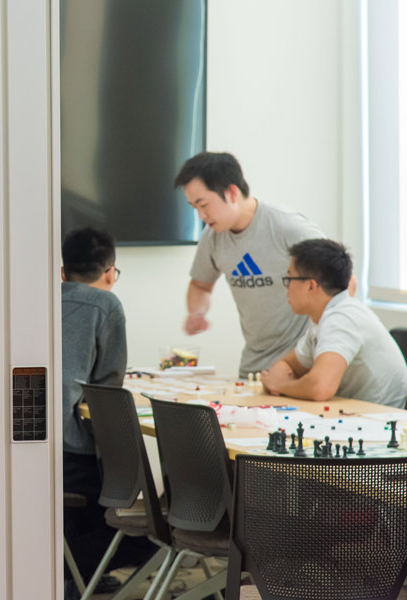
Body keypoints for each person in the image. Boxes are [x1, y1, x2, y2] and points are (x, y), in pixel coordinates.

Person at [61, 227, 154, 598]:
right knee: (139, 523)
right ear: (110, 272)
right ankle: (66, 567)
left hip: (34, 435)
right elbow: (108, 388)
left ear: (63, 272)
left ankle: (80, 574)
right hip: (70, 447)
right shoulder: (107, 304)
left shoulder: (40, 295)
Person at [175, 152, 327, 377]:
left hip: (300, 366)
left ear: (232, 192)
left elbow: (343, 281)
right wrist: (197, 312)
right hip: (253, 367)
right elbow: (200, 285)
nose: (201, 215)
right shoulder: (212, 237)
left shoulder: (287, 227)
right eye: (194, 208)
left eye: (203, 204)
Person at [261, 239, 407, 407]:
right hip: (358, 414)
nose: (286, 287)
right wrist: (278, 376)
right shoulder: (324, 316)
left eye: (290, 278)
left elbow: (320, 388)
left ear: (311, 286)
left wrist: (282, 385)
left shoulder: (342, 318)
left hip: (383, 420)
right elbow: (290, 364)